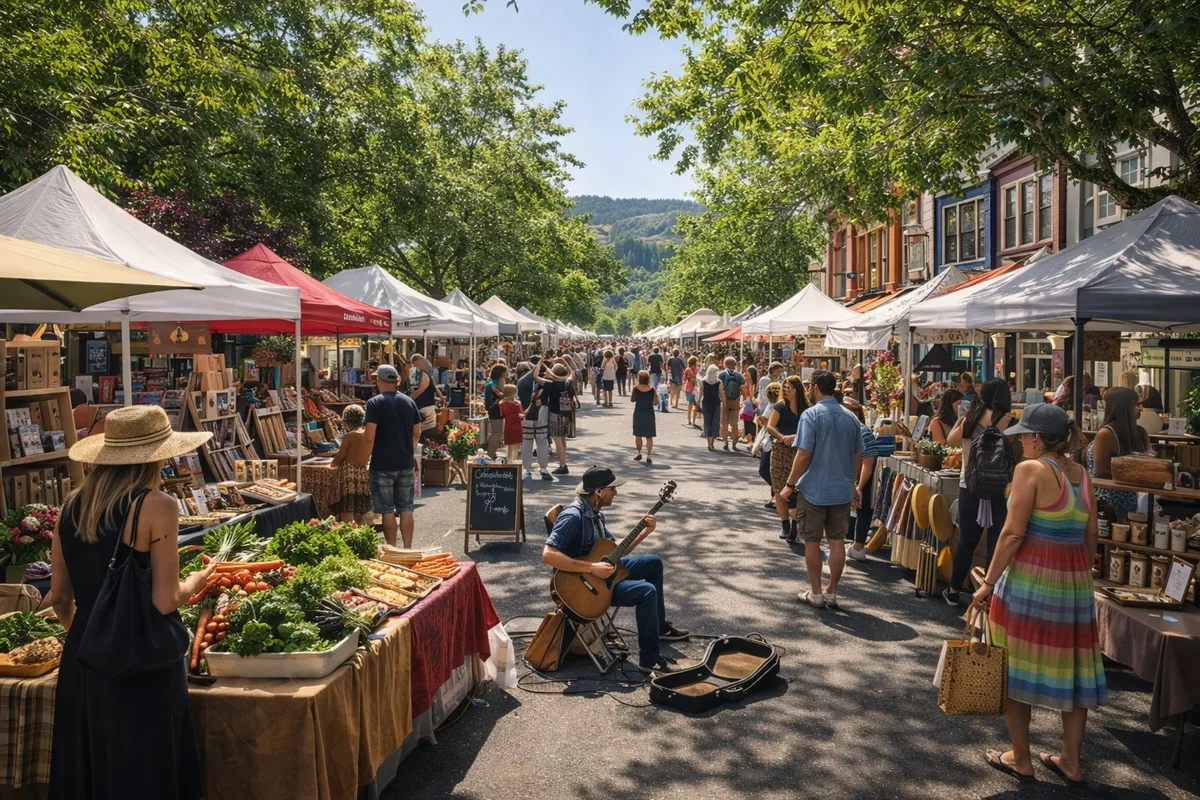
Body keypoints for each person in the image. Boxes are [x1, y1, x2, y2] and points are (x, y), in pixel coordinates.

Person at [50, 405, 215, 799]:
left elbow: (58, 597)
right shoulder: (157, 506)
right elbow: (164, 600)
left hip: (82, 660)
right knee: (143, 769)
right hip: (141, 660)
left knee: (88, 765)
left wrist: (92, 633)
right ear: (157, 455)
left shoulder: (70, 507)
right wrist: (196, 581)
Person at [973, 404, 1105, 787]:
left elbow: (1013, 533)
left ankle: (1022, 757)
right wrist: (1078, 569)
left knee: (1016, 666)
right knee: (1075, 671)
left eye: (1024, 437)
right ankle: (1071, 761)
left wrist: (989, 581)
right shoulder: (1081, 474)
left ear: (1035, 438)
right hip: (1074, 584)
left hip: (1031, 581)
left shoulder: (1030, 470)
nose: (1021, 444)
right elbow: (1092, 533)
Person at [543, 465, 689, 674]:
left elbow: (614, 551)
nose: (616, 493)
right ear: (599, 492)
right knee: (647, 592)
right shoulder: (573, 516)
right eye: (612, 489)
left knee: (654, 563)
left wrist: (644, 532)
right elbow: (547, 555)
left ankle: (659, 627)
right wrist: (592, 567)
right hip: (587, 590)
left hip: (604, 573)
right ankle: (649, 658)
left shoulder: (595, 512)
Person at [778, 370, 863, 609]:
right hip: (841, 488)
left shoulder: (811, 415)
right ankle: (832, 591)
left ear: (815, 387)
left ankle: (816, 592)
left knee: (812, 542)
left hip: (814, 488)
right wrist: (853, 482)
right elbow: (858, 453)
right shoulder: (851, 417)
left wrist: (789, 485)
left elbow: (804, 454)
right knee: (837, 541)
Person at [945, 377, 1015, 605]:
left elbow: (950, 440)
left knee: (967, 541)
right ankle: (990, 596)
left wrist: (963, 418)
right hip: (1001, 488)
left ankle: (954, 591)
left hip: (970, 486)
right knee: (996, 542)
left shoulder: (970, 419)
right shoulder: (1011, 423)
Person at [363, 364, 422, 547]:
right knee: (406, 508)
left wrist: (366, 457)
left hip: (382, 463)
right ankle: (408, 548)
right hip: (405, 462)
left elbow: (369, 436)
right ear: (396, 380)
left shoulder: (374, 403)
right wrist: (408, 449)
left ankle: (392, 549)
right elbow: (417, 432)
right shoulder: (409, 402)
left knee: (387, 511)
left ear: (379, 380)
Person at [1086, 386, 1148, 513]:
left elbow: (1100, 472)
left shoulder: (1106, 434)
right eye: (1137, 405)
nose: (1140, 409)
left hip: (1103, 501)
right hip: (1130, 500)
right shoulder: (1141, 433)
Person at [766, 375, 809, 541]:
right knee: (779, 487)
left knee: (798, 489)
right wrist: (782, 437)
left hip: (800, 451)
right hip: (781, 451)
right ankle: (785, 523)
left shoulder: (806, 408)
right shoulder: (779, 406)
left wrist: (798, 436)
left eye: (788, 387)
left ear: (797, 389)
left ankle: (794, 527)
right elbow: (770, 426)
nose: (785, 390)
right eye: (784, 387)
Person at [842, 397, 884, 563]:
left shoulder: (860, 431)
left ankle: (858, 546)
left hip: (861, 475)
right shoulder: (852, 428)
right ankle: (855, 545)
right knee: (859, 508)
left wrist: (858, 486)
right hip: (853, 474)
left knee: (862, 506)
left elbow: (868, 462)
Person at [329, 403, 371, 524]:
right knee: (360, 513)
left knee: (347, 512)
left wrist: (332, 465)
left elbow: (340, 456)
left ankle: (347, 539)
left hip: (349, 477)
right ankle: (363, 538)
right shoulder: (367, 434)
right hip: (363, 475)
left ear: (347, 421)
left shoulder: (349, 436)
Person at [534, 359, 575, 476]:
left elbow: (535, 376)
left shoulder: (550, 384)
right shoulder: (568, 383)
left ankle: (562, 465)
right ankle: (563, 463)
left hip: (554, 414)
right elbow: (573, 374)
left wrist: (539, 364)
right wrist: (567, 363)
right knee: (562, 440)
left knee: (558, 441)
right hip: (566, 414)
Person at [517, 358, 553, 482]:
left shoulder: (521, 381)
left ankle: (527, 469)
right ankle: (543, 468)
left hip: (525, 415)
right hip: (541, 414)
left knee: (526, 442)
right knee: (542, 442)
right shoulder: (545, 381)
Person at [408, 354, 441, 440]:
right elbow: (434, 387)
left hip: (425, 408)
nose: (413, 367)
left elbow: (420, 390)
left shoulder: (424, 374)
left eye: (414, 364)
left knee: (423, 432)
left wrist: (410, 398)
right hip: (424, 407)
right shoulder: (424, 375)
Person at [717, 357, 746, 451]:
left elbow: (718, 389)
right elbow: (743, 388)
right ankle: (734, 443)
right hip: (736, 401)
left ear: (725, 364)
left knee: (724, 423)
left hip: (725, 401)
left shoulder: (721, 374)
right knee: (734, 423)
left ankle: (725, 442)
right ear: (735, 364)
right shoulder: (739, 375)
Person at [631, 370, 657, 464]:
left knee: (638, 435)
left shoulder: (636, 388)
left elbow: (632, 400)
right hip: (649, 413)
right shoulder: (652, 389)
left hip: (638, 412)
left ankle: (639, 453)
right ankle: (649, 455)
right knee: (649, 436)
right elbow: (655, 402)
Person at [483, 364, 508, 458]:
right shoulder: (493, 385)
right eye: (506, 372)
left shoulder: (493, 384)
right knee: (496, 432)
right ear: (501, 373)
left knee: (497, 432)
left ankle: (492, 452)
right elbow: (493, 401)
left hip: (496, 410)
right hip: (495, 410)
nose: (507, 374)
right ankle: (491, 453)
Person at [498, 384, 524, 466]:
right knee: (516, 446)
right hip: (517, 426)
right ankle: (514, 462)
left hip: (508, 426)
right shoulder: (518, 403)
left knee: (508, 446)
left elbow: (502, 415)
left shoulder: (501, 404)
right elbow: (522, 415)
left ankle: (509, 462)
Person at [700, 363, 723, 451]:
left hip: (706, 403)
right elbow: (722, 393)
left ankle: (709, 443)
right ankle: (711, 443)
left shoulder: (703, 381)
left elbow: (701, 392)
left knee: (707, 422)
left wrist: (698, 401)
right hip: (716, 403)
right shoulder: (719, 382)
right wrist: (724, 402)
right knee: (714, 423)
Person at [683, 356, 700, 427]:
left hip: (689, 388)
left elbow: (684, 379)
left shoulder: (687, 369)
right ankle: (693, 421)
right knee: (695, 405)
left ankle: (689, 420)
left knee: (690, 404)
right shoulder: (697, 370)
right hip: (696, 389)